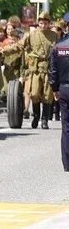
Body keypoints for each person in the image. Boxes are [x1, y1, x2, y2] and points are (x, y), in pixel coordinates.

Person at [20, 13, 57, 129]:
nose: (43, 25)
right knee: (34, 93)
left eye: (45, 23)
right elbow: (20, 45)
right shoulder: (31, 34)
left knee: (47, 95)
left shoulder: (54, 35)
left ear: (49, 24)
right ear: (38, 23)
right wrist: (6, 50)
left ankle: (44, 119)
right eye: (41, 23)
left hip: (49, 67)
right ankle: (36, 116)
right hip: (35, 68)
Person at [48, 13, 69, 171]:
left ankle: (67, 163)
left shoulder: (58, 47)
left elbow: (53, 71)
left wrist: (55, 89)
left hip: (64, 89)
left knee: (66, 126)